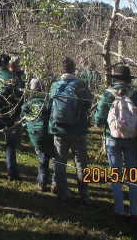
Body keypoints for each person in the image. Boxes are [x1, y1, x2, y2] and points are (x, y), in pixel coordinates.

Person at [94, 65, 137, 222]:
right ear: (129, 79)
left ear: (115, 79)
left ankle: (119, 211)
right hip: (132, 139)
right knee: (133, 176)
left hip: (112, 138)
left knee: (116, 175)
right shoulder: (136, 95)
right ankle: (134, 212)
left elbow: (99, 118)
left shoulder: (108, 94)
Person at [49, 56, 93, 206]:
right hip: (78, 130)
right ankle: (84, 198)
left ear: (61, 71)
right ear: (74, 71)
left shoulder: (55, 85)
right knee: (81, 164)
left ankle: (63, 197)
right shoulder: (81, 85)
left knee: (59, 164)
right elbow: (89, 104)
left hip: (59, 130)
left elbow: (49, 105)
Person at [0, 53, 24, 181]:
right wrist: (17, 112)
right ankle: (11, 173)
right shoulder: (13, 78)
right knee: (10, 144)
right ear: (7, 64)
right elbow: (19, 98)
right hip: (10, 114)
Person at [20, 78, 53, 191]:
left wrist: (29, 129)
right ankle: (56, 182)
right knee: (55, 158)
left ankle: (42, 182)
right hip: (48, 135)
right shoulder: (47, 102)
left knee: (42, 157)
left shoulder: (27, 103)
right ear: (42, 88)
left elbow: (23, 120)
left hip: (34, 136)